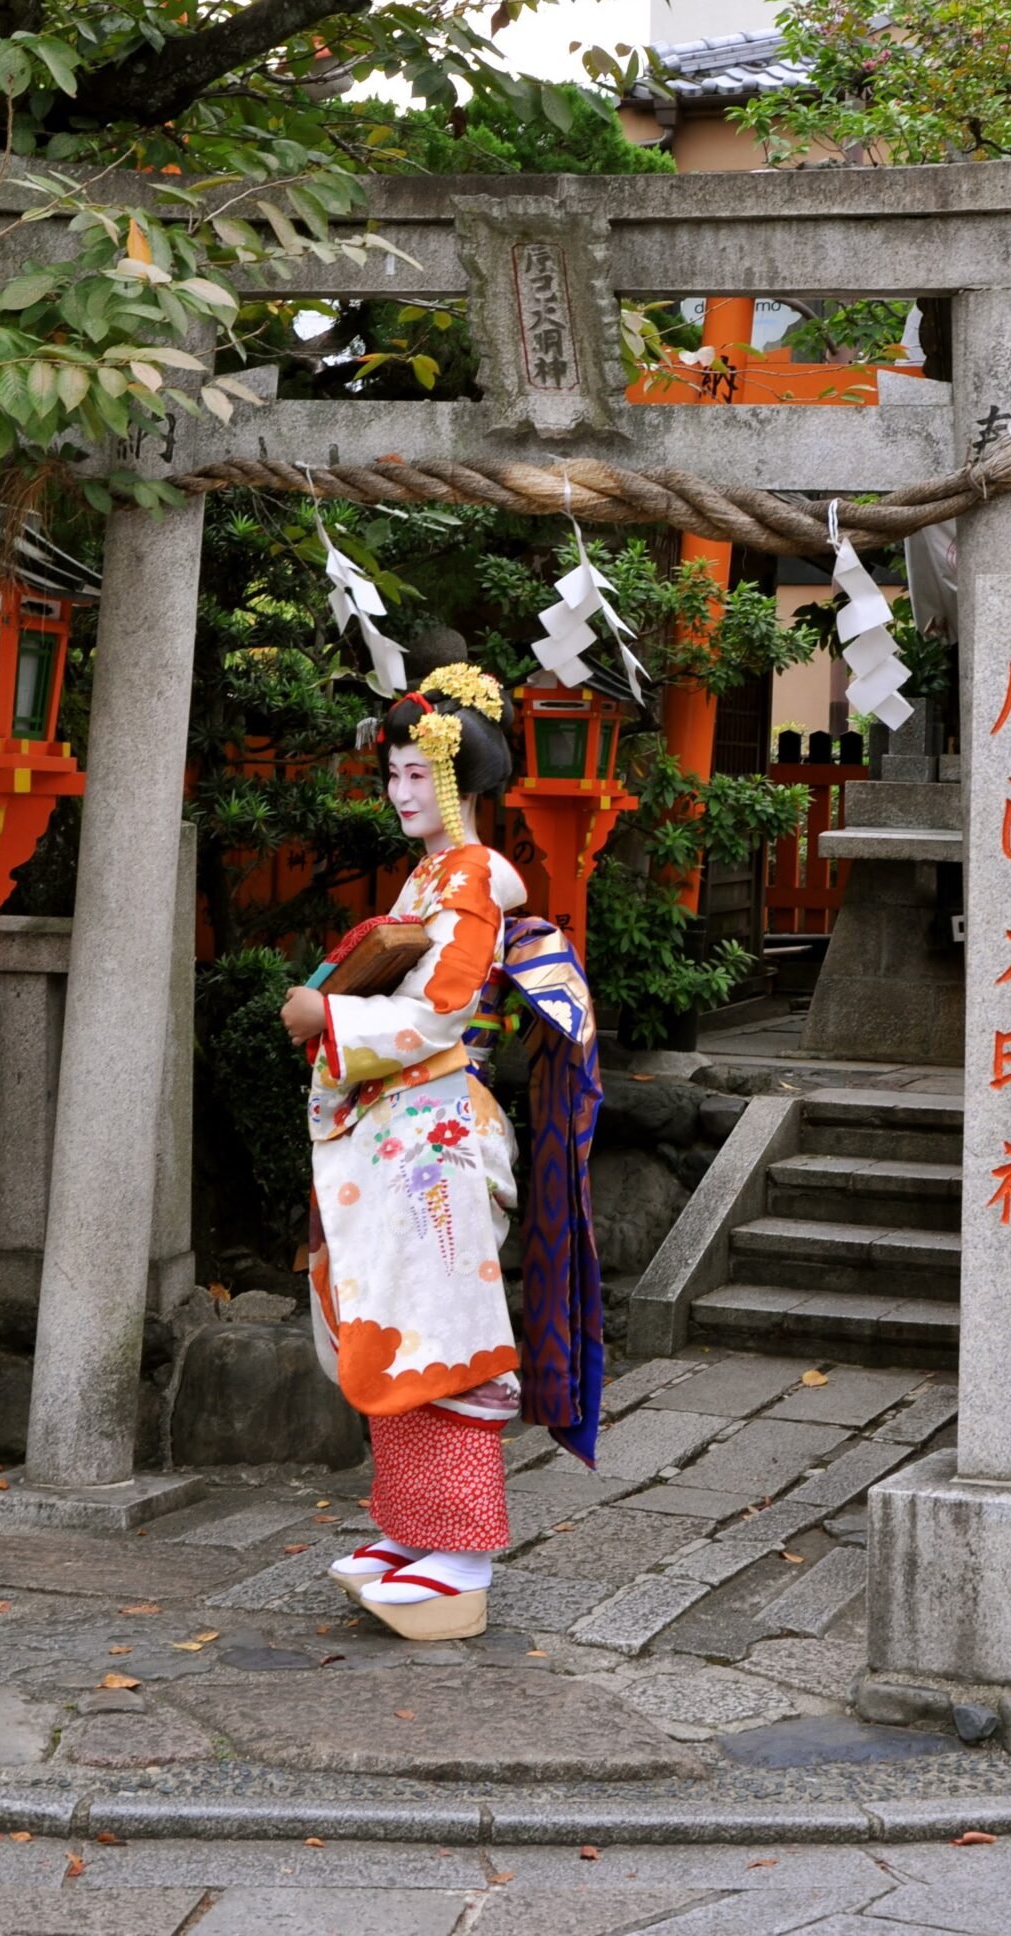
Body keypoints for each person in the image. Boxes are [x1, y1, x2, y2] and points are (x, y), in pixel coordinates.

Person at [279, 662, 604, 1643]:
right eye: (394, 774)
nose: (401, 791)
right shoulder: (434, 876)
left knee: (439, 1334)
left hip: (438, 1133)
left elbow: (444, 1007)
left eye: (419, 773)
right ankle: (411, 1531)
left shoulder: (468, 877)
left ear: (462, 779)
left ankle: (459, 1558)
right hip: (406, 1124)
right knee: (392, 1323)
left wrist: (328, 1016)